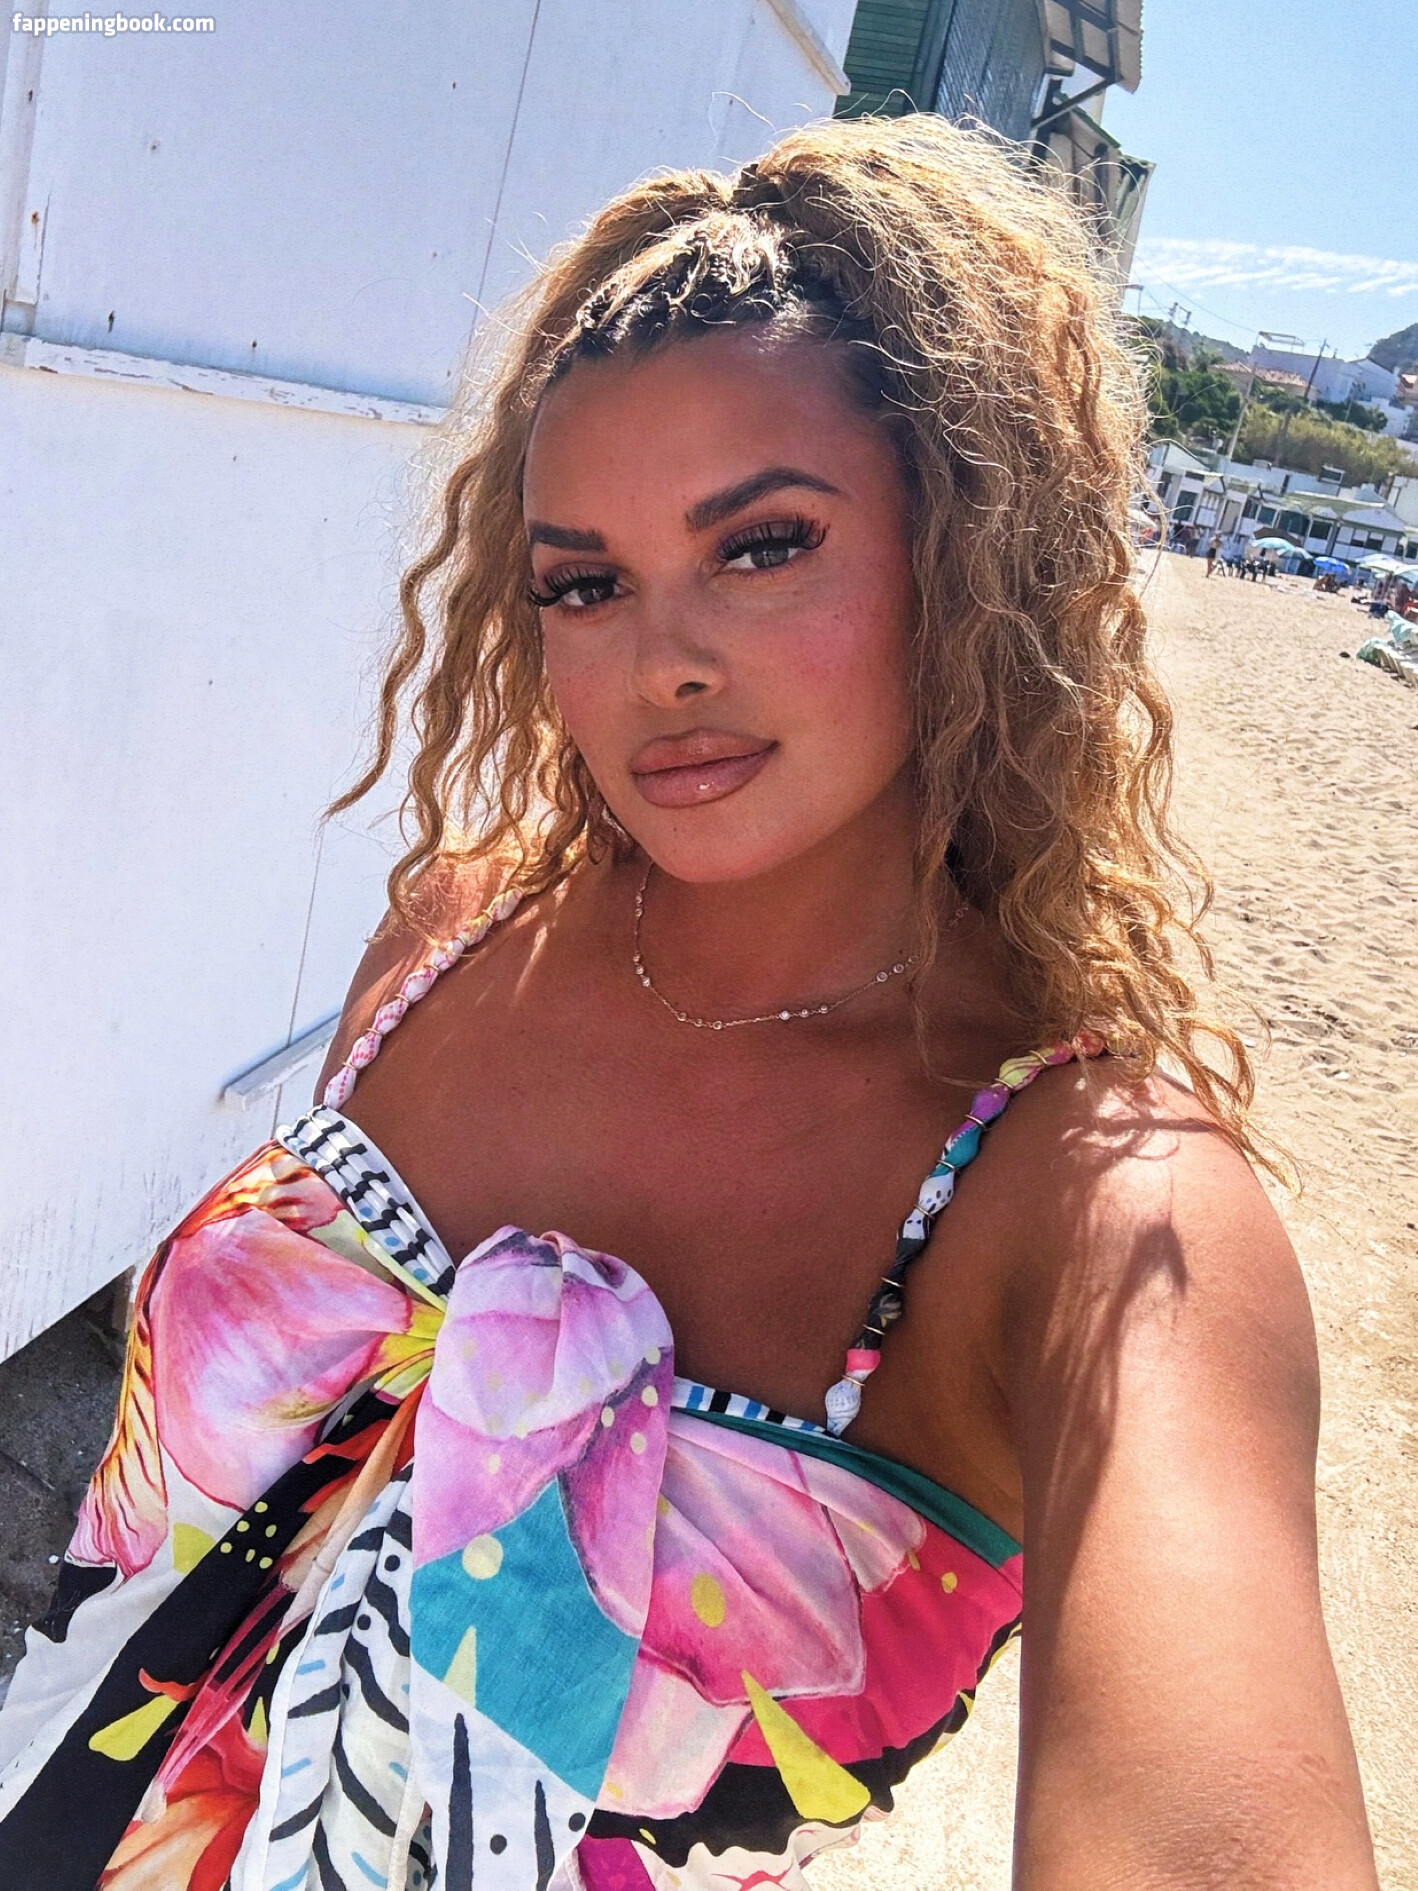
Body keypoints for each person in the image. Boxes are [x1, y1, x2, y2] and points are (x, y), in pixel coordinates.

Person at [0, 116, 1378, 1891]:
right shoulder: (450, 932)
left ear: (970, 553)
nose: (663, 662)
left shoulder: (1101, 1210)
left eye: (762, 545)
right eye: (584, 582)